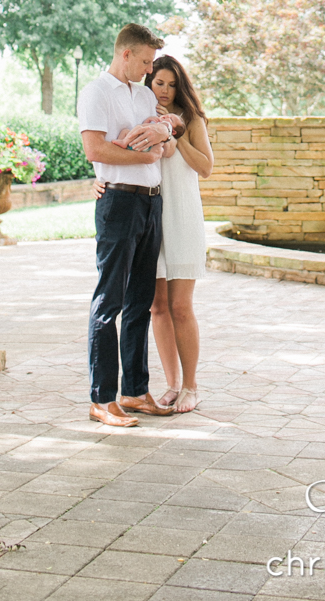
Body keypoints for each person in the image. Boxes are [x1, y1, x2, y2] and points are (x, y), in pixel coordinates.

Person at [94, 54, 213, 416]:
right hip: (150, 217)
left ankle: (192, 386)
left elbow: (206, 167)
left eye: (172, 84)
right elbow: (114, 152)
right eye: (158, 82)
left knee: (180, 306)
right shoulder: (141, 117)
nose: (164, 90)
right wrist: (99, 179)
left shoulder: (189, 120)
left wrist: (179, 143)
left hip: (184, 217)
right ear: (150, 83)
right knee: (157, 307)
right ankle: (172, 385)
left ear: (181, 87)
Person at [78, 23, 177, 428]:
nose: (150, 70)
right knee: (110, 302)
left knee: (140, 303)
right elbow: (95, 148)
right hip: (118, 202)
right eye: (145, 61)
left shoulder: (145, 95)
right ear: (125, 54)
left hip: (151, 205)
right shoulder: (96, 93)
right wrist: (145, 155)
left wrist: (158, 137)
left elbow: (164, 144)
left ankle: (134, 392)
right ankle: (102, 399)